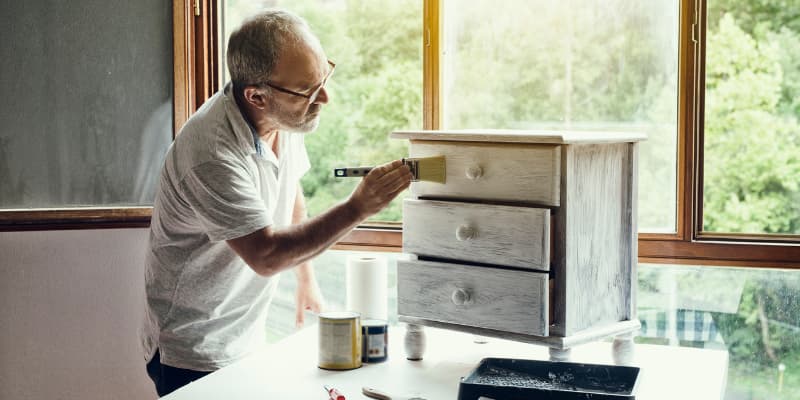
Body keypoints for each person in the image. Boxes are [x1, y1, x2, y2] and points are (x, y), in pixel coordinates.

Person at [140, 9, 412, 396]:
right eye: (309, 90)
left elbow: (290, 189)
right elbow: (266, 254)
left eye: (324, 79)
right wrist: (358, 208)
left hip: (246, 334)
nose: (326, 98)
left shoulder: (285, 114)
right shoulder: (211, 154)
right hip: (192, 351)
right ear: (256, 96)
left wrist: (306, 279)